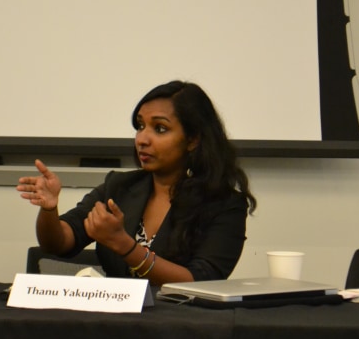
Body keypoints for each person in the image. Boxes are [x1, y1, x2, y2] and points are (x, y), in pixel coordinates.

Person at [17, 80, 256, 285]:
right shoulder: (120, 186)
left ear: (193, 140)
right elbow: (60, 243)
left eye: (160, 129)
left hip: (181, 329)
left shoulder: (225, 205)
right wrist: (49, 209)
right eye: (140, 126)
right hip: (115, 325)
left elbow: (201, 280)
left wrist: (125, 246)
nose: (142, 138)